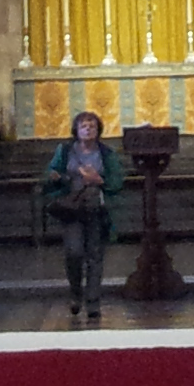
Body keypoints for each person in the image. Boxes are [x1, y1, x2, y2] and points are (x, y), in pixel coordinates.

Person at [42, 109, 124, 324]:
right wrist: (59, 178)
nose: (88, 129)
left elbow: (117, 180)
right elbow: (50, 174)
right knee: (74, 252)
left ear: (98, 131)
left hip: (97, 209)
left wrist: (99, 180)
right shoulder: (66, 150)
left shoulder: (106, 153)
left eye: (92, 126)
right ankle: (76, 292)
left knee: (95, 256)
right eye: (84, 126)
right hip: (72, 209)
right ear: (76, 130)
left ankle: (93, 303)